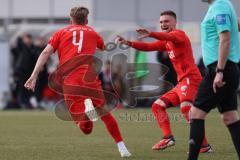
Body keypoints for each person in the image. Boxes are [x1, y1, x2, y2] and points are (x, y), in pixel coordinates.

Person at [24, 6, 131, 157]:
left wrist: (34, 75)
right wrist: (116, 42)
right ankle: (122, 147)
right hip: (90, 79)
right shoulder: (93, 33)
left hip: (70, 81)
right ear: (86, 20)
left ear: (70, 20)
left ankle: (87, 114)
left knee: (85, 129)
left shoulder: (60, 33)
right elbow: (105, 47)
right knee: (105, 114)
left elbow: (46, 51)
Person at [118, 10, 212, 153]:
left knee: (186, 108)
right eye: (161, 22)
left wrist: (151, 33)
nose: (163, 24)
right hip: (182, 82)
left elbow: (164, 37)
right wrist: (129, 43)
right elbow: (149, 47)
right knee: (157, 106)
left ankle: (203, 145)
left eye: (167, 21)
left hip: (191, 78)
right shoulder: (166, 41)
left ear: (175, 22)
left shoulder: (180, 35)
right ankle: (168, 137)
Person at [187, 0, 240, 159]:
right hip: (226, 69)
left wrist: (219, 71)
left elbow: (225, 38)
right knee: (229, 117)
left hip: (220, 69)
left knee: (195, 113)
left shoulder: (220, 6)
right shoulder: (220, 6)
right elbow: (234, 26)